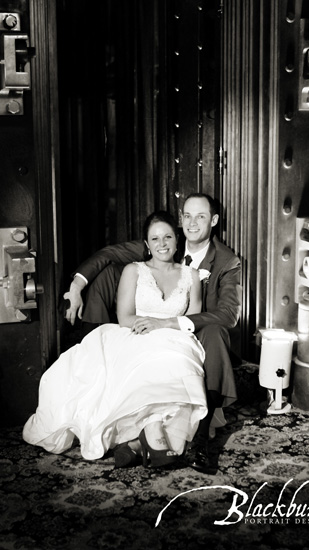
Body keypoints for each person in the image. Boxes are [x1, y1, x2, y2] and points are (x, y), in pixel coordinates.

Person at [64, 193, 242, 474]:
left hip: (199, 329)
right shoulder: (167, 239)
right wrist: (76, 286)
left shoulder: (227, 261)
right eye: (187, 216)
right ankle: (142, 439)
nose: (192, 224)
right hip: (148, 329)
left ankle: (197, 440)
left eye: (201, 217)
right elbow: (110, 254)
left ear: (214, 221)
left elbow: (228, 315)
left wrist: (172, 323)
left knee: (215, 334)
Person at [23, 211, 208, 469]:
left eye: (167, 237)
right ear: (146, 244)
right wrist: (77, 287)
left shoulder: (191, 276)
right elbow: (125, 317)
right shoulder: (134, 270)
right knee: (131, 370)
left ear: (177, 240)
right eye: (155, 239)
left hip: (176, 337)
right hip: (138, 333)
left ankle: (137, 442)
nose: (162, 244)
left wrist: (164, 325)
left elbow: (192, 319)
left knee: (181, 365)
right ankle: (149, 433)